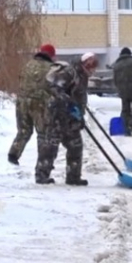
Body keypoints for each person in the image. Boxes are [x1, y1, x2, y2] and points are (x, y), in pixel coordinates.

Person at [35, 52, 98, 185]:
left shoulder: (83, 75)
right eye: (90, 65)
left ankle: (73, 177)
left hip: (72, 118)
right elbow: (54, 88)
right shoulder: (70, 72)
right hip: (57, 114)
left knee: (75, 146)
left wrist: (80, 112)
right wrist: (69, 102)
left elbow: (79, 94)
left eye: (94, 66)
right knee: (51, 145)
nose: (92, 69)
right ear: (84, 63)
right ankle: (42, 175)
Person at [8, 44, 56, 165]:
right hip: (39, 104)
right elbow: (52, 87)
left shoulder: (27, 65)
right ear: (51, 55)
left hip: (22, 101)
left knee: (24, 130)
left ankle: (13, 154)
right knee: (43, 133)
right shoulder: (51, 68)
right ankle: (42, 162)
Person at [111, 47, 132, 136]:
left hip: (122, 91)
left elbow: (115, 79)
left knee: (125, 110)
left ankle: (126, 129)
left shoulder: (116, 64)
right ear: (129, 54)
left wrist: (118, 88)